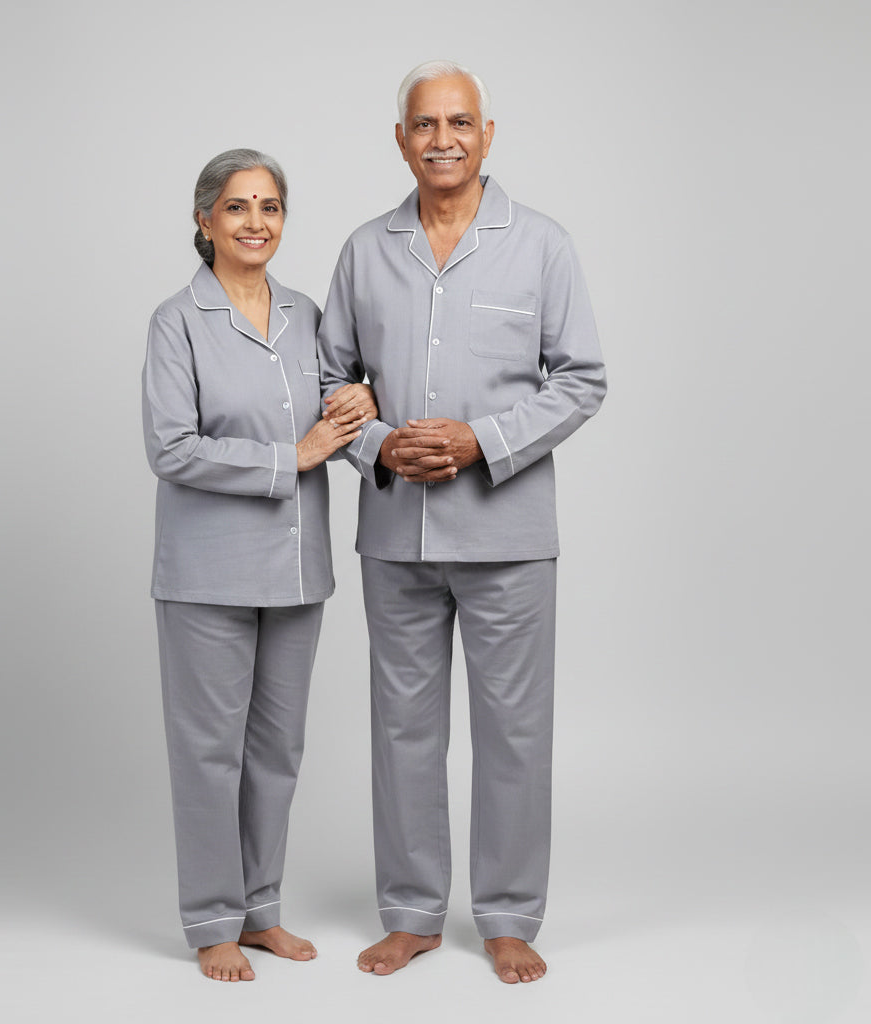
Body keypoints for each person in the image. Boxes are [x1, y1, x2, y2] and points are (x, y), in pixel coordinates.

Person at [318, 61, 607, 983]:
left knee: (514, 729)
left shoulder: (544, 246)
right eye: (424, 123)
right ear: (399, 139)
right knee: (402, 727)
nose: (442, 137)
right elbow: (331, 382)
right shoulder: (365, 250)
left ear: (488, 134)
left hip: (507, 534)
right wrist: (378, 449)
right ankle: (409, 912)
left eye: (460, 122)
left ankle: (511, 916)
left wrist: (483, 441)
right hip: (396, 534)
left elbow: (583, 378)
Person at [142, 149, 376, 983]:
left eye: (270, 207)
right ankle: (211, 920)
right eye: (236, 208)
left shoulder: (309, 314)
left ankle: (260, 911)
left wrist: (361, 410)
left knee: (277, 749)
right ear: (204, 221)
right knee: (210, 750)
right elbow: (171, 448)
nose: (255, 223)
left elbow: (338, 409)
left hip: (296, 570)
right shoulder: (178, 320)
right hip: (207, 573)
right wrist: (295, 455)